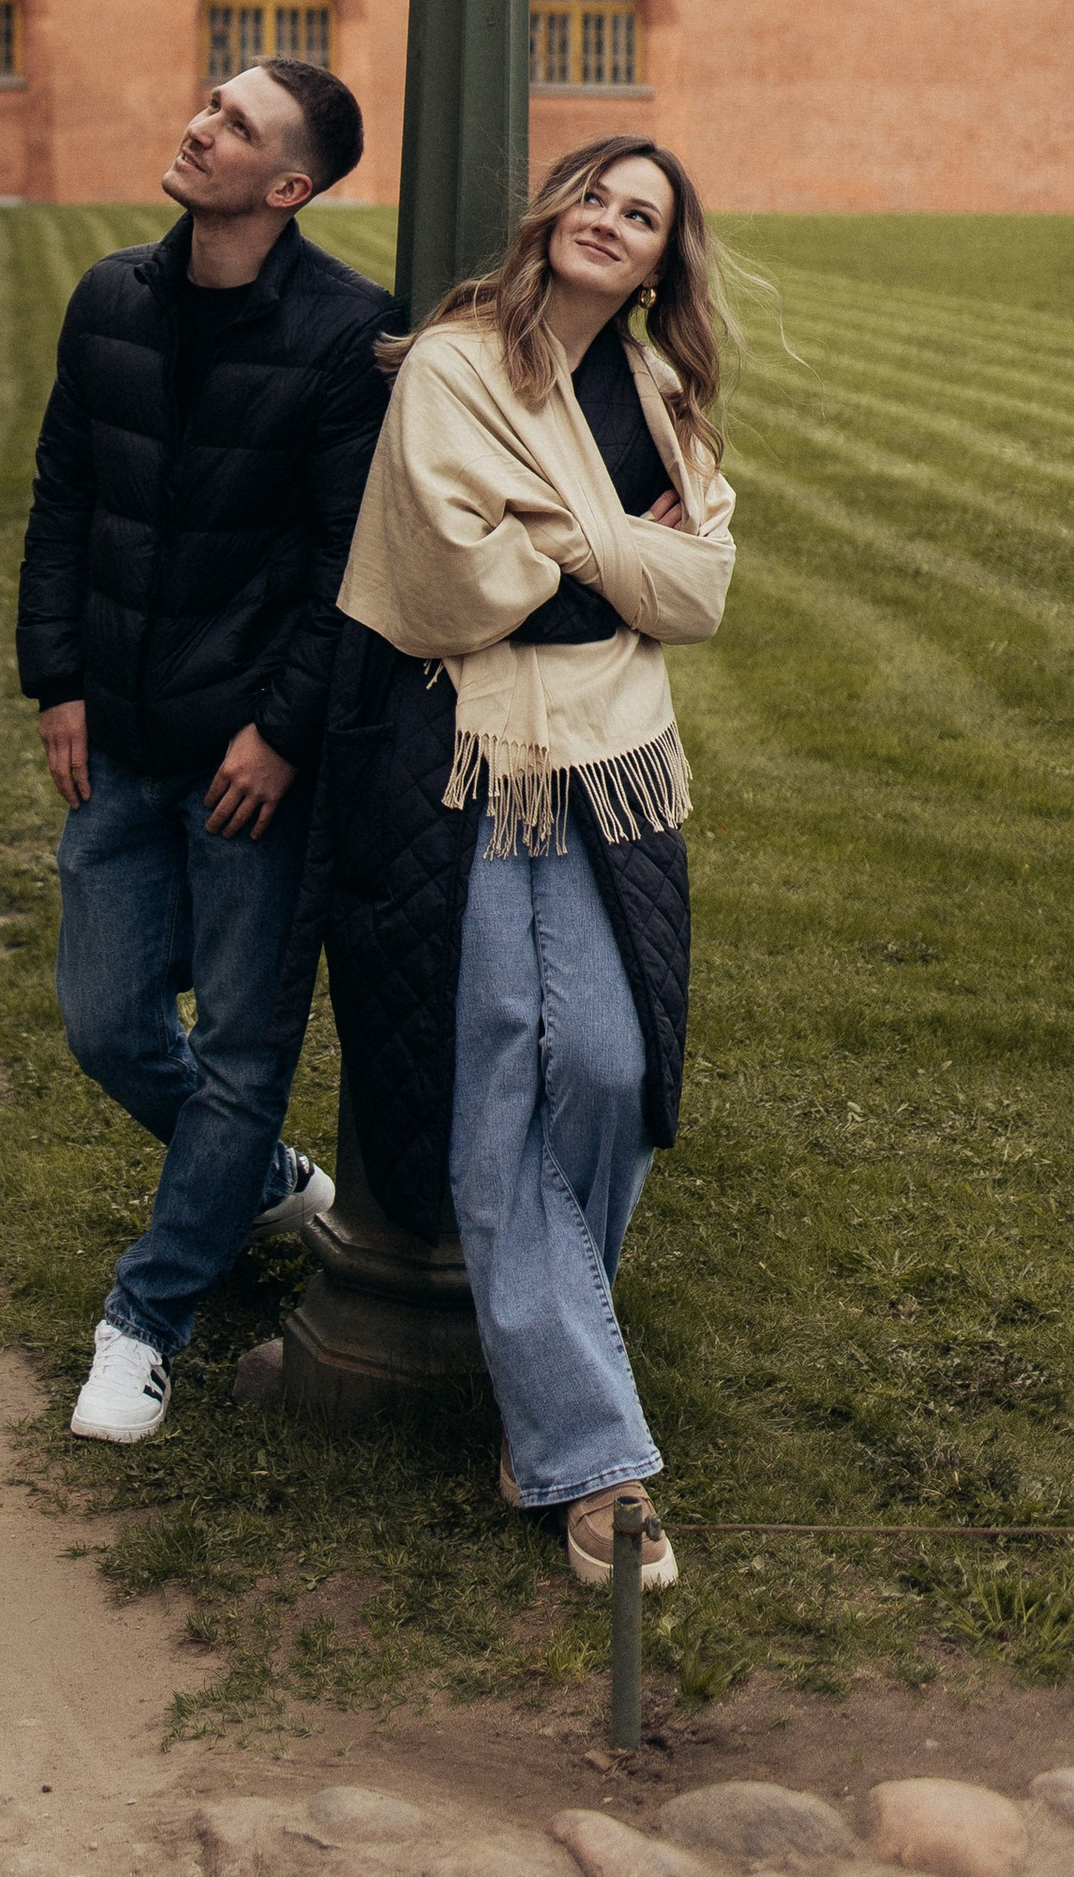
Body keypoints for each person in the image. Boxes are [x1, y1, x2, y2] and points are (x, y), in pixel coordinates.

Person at [298, 136, 738, 1590]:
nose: (610, 223)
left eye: (643, 215)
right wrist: (618, 556)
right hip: (469, 763)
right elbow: (447, 587)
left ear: (663, 260)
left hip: (613, 766)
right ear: (553, 216)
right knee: (502, 1072)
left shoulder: (666, 396)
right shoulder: (453, 367)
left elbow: (703, 591)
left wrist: (559, 538)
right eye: (596, 197)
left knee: (607, 1069)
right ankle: (588, 1457)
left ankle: (540, 1345)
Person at [16, 55, 400, 1444]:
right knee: (110, 1024)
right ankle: (256, 1180)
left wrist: (283, 734)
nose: (198, 124)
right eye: (208, 103)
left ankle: (147, 1319)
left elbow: (344, 568)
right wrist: (56, 678)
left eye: (236, 125)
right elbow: (65, 494)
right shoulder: (109, 297)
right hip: (118, 740)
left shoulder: (350, 339)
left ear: (288, 187)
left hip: (252, 763)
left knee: (241, 1049)